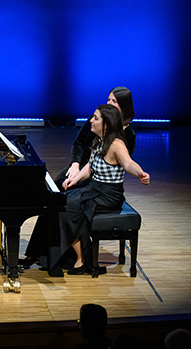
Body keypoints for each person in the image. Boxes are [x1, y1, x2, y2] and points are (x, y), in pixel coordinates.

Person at [24, 87, 139, 268]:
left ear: (123, 107)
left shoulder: (125, 135)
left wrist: (139, 173)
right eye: (108, 100)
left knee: (64, 203)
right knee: (53, 195)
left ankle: (67, 256)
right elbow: (79, 144)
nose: (109, 104)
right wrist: (75, 165)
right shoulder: (98, 118)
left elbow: (124, 164)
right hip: (82, 169)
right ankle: (39, 251)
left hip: (97, 179)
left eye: (114, 102)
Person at [48, 104, 150, 276]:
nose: (91, 121)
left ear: (106, 124)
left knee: (65, 209)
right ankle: (80, 256)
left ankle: (82, 259)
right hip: (94, 189)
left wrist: (140, 173)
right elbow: (90, 166)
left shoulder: (117, 144)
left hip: (107, 195)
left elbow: (128, 163)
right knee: (60, 202)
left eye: (95, 118)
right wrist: (74, 179)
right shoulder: (100, 140)